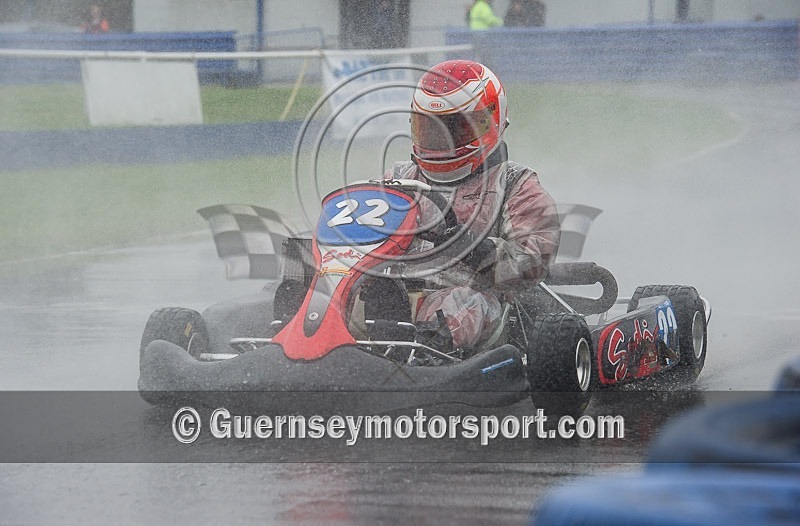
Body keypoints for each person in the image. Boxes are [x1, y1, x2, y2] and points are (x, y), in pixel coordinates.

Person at [383, 60, 561, 349]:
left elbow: (533, 260)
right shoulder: (399, 178)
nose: (440, 141)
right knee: (327, 290)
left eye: (454, 129)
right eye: (430, 128)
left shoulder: (515, 183)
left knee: (462, 303)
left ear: (486, 123)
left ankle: (424, 354)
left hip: (475, 298)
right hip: (396, 294)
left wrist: (463, 243)